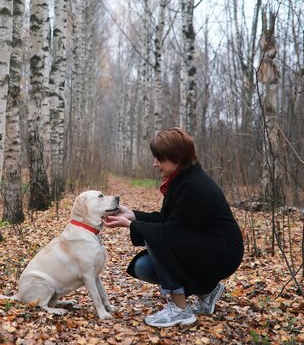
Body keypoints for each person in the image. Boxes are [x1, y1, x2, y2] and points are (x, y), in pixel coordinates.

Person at [104, 127, 243, 328]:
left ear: (176, 160)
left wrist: (131, 225)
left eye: (159, 159)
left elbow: (169, 233)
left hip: (222, 252)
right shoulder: (183, 179)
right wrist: (133, 215)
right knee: (143, 267)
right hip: (206, 247)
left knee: (157, 239)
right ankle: (208, 290)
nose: (155, 164)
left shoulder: (193, 186)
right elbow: (169, 221)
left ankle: (180, 309)